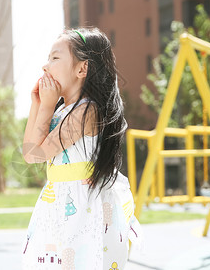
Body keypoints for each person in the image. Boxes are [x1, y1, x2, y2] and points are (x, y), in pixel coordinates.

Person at [22, 27, 143, 269]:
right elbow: (29, 154)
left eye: (55, 58)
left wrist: (45, 107)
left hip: (83, 208)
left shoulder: (87, 111)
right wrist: (37, 103)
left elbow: (39, 153)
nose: (46, 66)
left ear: (82, 68)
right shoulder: (61, 110)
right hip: (57, 202)